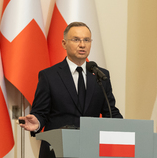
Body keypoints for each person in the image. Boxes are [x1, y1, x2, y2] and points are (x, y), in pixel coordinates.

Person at [19, 22, 122, 158]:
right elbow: (41, 112)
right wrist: (37, 122)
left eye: (86, 40)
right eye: (76, 40)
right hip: (56, 149)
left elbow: (110, 112)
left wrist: (130, 130)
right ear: (64, 43)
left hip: (90, 149)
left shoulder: (100, 75)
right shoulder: (49, 75)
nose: (82, 44)